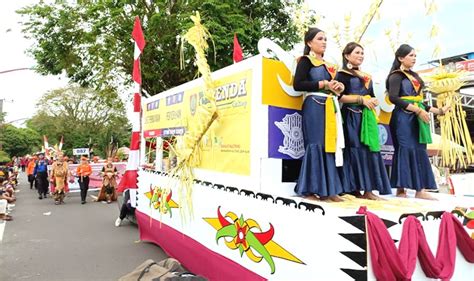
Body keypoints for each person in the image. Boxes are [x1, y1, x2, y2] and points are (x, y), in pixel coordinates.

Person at [386, 44, 450, 200]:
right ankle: (401, 189)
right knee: (404, 149)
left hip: (417, 118)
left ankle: (419, 190)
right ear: (400, 58)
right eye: (410, 56)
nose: (414, 58)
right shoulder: (395, 76)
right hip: (402, 117)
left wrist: (440, 111)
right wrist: (418, 110)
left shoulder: (415, 76)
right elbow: (393, 98)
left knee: (419, 150)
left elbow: (421, 102)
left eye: (415, 56)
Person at [293, 27, 346, 202]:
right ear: (309, 43)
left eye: (325, 39)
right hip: (314, 105)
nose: (324, 42)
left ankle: (330, 190)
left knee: (329, 144)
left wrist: (338, 88)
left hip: (329, 105)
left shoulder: (330, 66)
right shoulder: (305, 61)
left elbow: (334, 87)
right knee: (316, 144)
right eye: (320, 38)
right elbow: (298, 84)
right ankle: (310, 189)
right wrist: (323, 84)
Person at [336, 42, 392, 200]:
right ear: (347, 56)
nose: (360, 55)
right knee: (353, 149)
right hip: (351, 116)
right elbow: (340, 97)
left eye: (362, 53)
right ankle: (352, 189)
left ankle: (369, 191)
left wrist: (372, 101)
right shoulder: (342, 74)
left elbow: (372, 94)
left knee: (369, 150)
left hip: (366, 117)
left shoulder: (367, 77)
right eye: (357, 53)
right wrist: (361, 100)